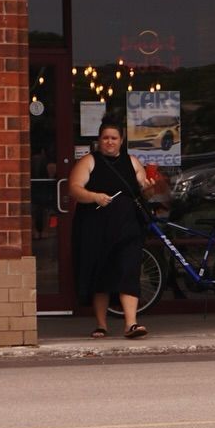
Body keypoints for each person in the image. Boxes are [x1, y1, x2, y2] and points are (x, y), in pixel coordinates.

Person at [67, 120, 154, 338]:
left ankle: (131, 324)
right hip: (96, 228)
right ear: (99, 140)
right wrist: (94, 196)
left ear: (121, 141)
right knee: (101, 274)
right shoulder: (90, 160)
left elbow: (143, 190)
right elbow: (74, 188)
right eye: (105, 138)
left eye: (114, 138)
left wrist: (151, 189)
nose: (109, 142)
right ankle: (101, 324)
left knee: (129, 271)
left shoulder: (132, 161)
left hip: (128, 227)